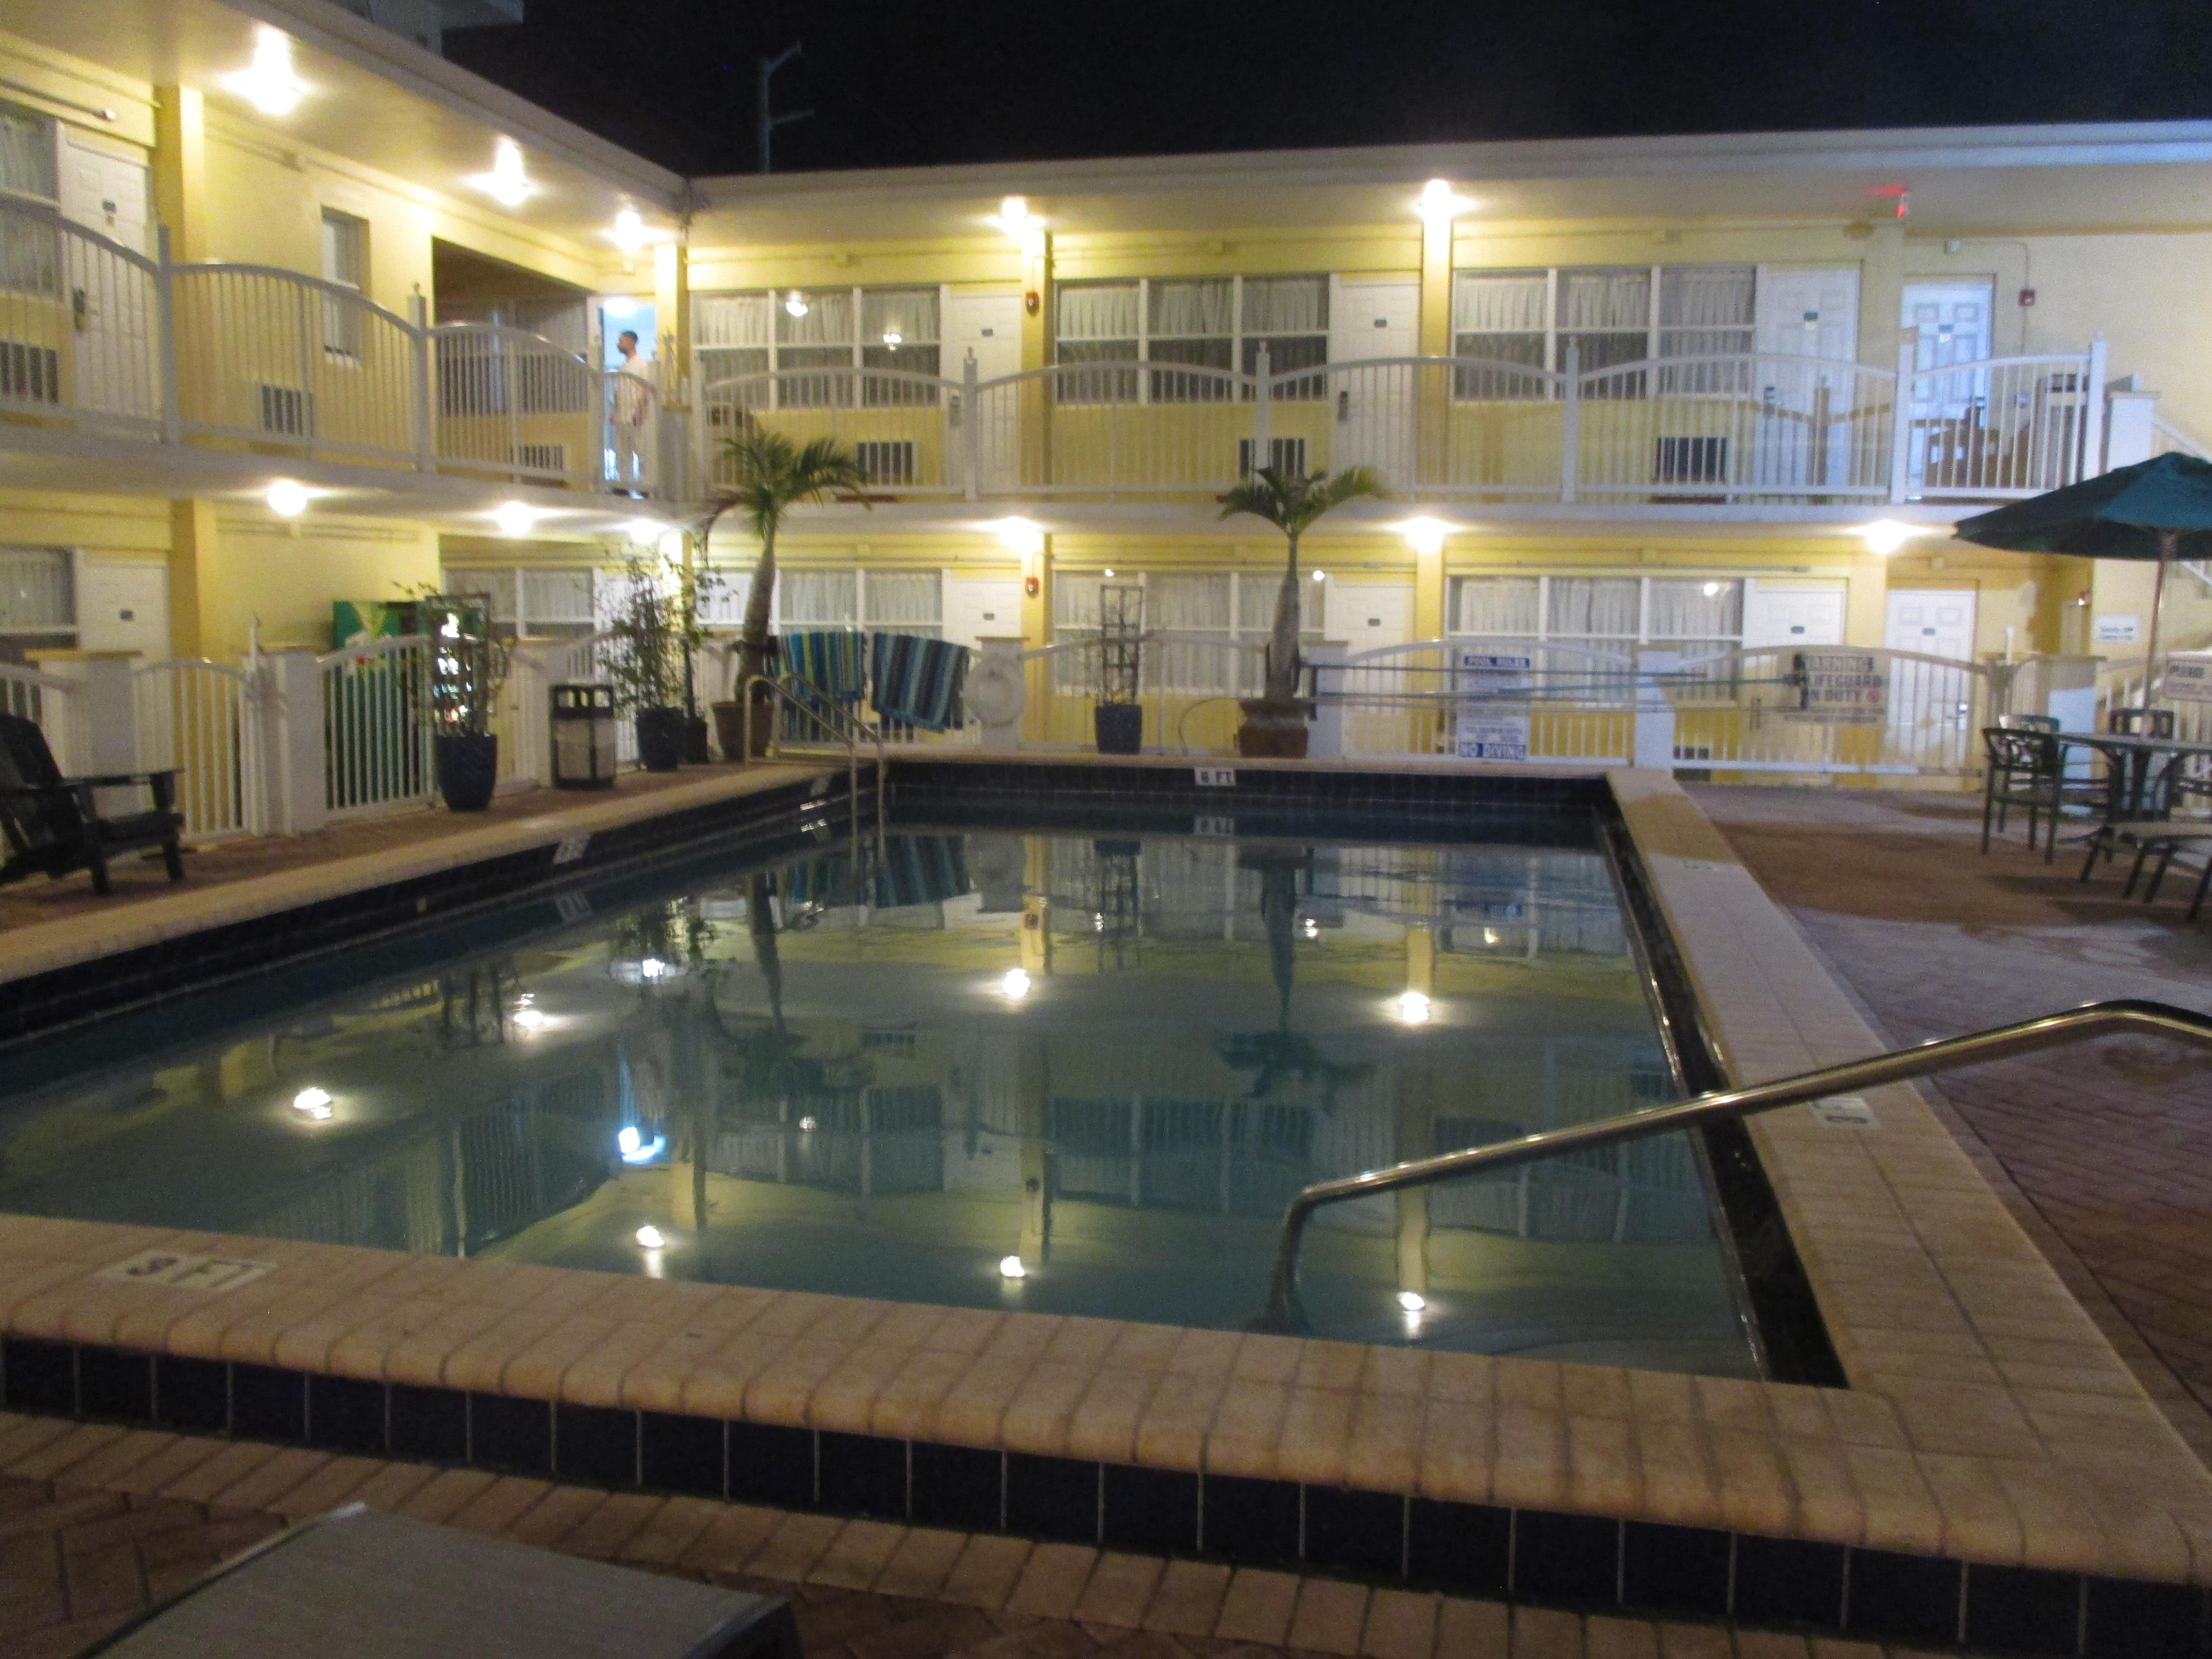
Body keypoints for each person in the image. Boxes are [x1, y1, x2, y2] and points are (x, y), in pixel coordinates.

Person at [608, 329, 652, 492]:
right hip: (622, 417)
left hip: (636, 417)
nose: (618, 344)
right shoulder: (622, 367)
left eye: (621, 341)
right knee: (622, 452)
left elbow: (646, 389)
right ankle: (624, 484)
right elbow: (618, 391)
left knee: (641, 451)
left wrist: (639, 412)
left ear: (631, 342)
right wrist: (614, 411)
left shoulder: (642, 364)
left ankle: (644, 486)